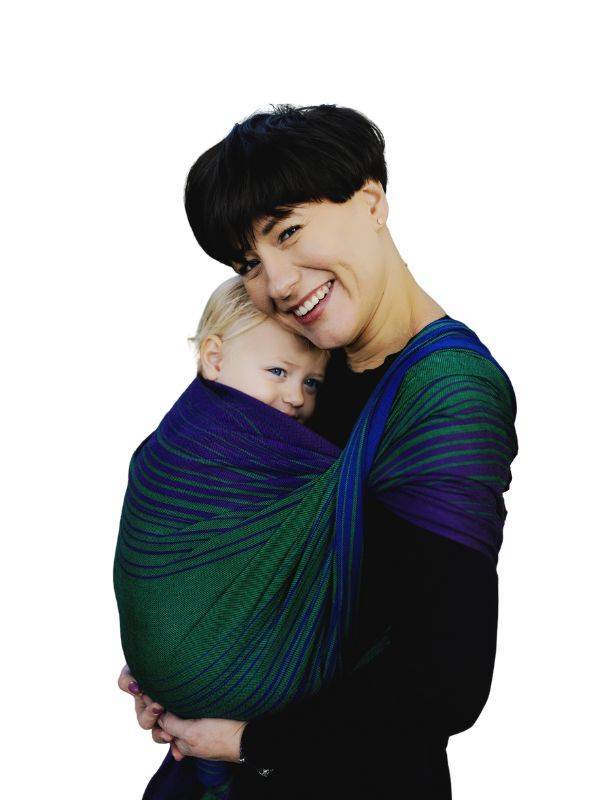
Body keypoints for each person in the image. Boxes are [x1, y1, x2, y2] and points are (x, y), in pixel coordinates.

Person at [117, 103, 518, 799]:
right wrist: (181, 662)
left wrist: (241, 739)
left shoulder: (446, 392)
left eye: (289, 232)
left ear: (371, 203)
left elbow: (444, 680)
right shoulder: (299, 368)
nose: (276, 284)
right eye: (249, 263)